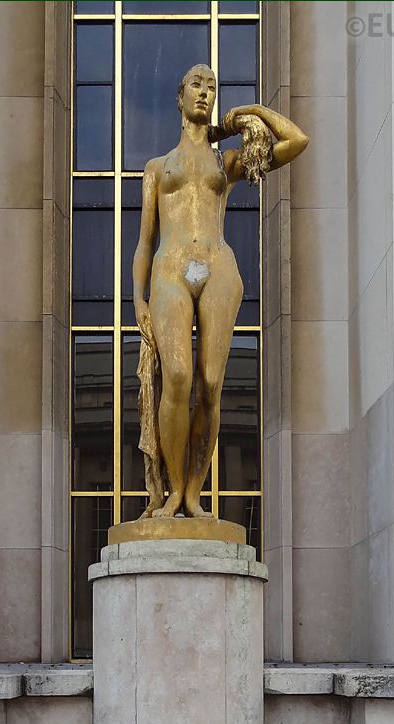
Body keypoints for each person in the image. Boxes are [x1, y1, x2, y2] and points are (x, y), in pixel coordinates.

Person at [132, 63, 308, 519]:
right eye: (196, 84)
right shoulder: (157, 168)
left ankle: (193, 492)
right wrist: (137, 297)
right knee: (176, 377)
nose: (205, 93)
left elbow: (295, 142)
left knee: (211, 382)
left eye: (213, 87)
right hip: (169, 269)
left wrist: (245, 113)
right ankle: (172, 490)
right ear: (180, 96)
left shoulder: (225, 162)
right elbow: (144, 241)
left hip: (218, 268)